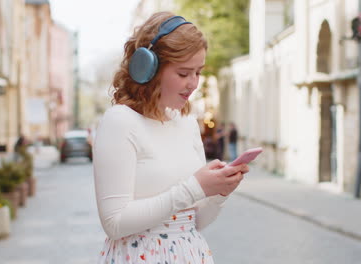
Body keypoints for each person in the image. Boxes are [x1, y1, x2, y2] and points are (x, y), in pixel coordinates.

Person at [93, 12, 249, 264]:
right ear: (149, 68)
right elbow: (114, 222)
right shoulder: (119, 121)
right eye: (184, 73)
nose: (193, 84)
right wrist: (194, 187)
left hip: (191, 255)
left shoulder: (187, 123)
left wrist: (219, 193)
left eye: (198, 72)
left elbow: (195, 221)